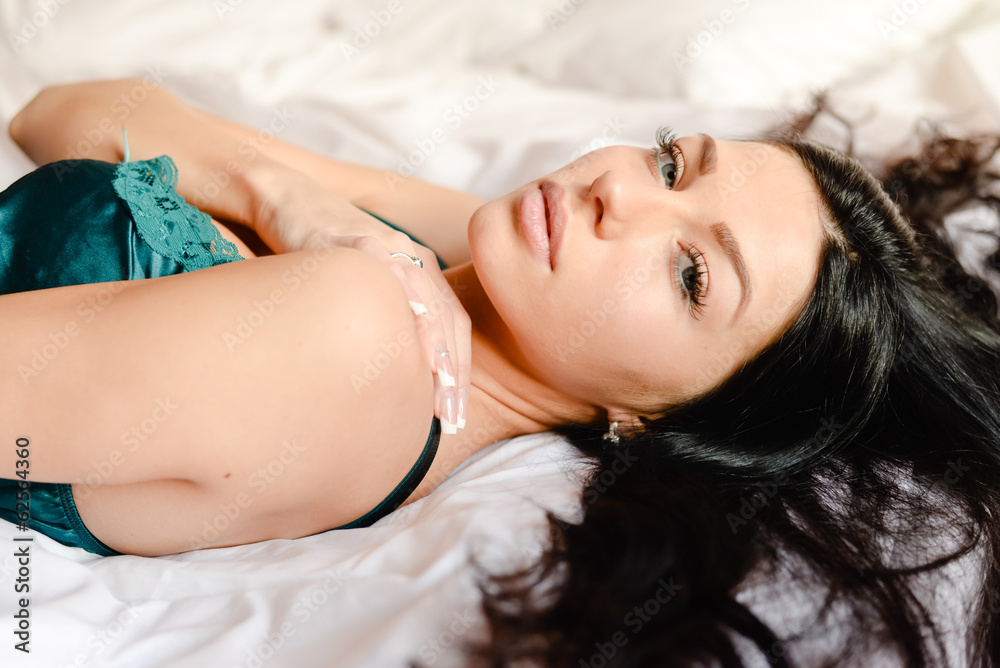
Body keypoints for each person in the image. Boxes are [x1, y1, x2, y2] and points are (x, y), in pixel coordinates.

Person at [3, 81, 999, 666]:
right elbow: (62, 110)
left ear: (658, 419)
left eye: (692, 274)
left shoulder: (352, 334)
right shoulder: (488, 271)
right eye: (670, 166)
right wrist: (288, 196)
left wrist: (293, 204)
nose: (620, 197)